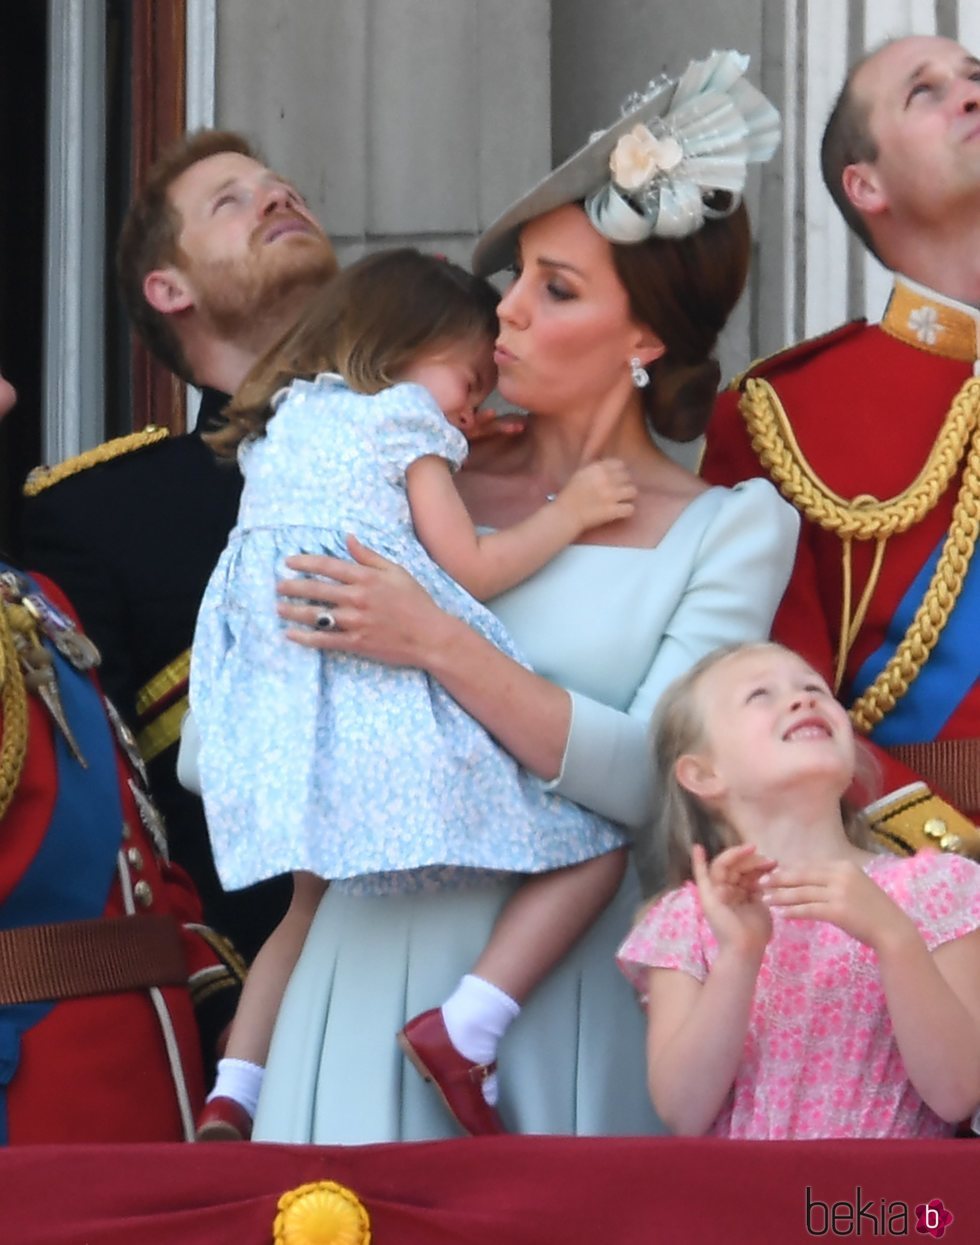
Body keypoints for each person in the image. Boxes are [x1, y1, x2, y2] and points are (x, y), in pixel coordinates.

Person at [222, 48, 799, 1144]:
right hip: (358, 975)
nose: (508, 313)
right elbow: (242, 720)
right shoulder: (389, 467)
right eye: (516, 278)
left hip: (556, 1007)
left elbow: (653, 778)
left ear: (643, 340)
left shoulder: (730, 527)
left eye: (557, 288)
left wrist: (438, 643)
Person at [190, 247, 639, 1140]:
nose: (475, 406)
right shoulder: (405, 425)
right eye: (470, 379)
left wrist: (459, 441)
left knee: (306, 906)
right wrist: (572, 510)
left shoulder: (285, 423)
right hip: (382, 714)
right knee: (595, 848)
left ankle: (234, 1087)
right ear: (402, 345)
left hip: (282, 721)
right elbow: (469, 562)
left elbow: (354, 510)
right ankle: (469, 1024)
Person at [19, 130, 341, 962]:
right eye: (230, 201)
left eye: (283, 186)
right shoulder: (101, 514)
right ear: (169, 288)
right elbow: (115, 822)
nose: (278, 197)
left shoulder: (458, 447)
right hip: (280, 997)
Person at [702, 34, 980, 860]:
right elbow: (783, 699)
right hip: (927, 874)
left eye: (973, 78)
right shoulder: (781, 414)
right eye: (923, 93)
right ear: (866, 185)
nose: (969, 95)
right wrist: (947, 850)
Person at [0, 364, 243, 1144]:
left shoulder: (35, 597)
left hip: (154, 1071)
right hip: (33, 1099)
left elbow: (132, 851)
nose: (9, 393)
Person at [617, 641, 980, 1139]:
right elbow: (683, 1112)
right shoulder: (692, 917)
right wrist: (739, 956)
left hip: (882, 1208)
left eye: (815, 688)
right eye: (760, 695)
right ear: (703, 774)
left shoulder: (937, 887)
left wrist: (894, 938)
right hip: (748, 1207)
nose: (804, 699)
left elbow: (958, 1092)